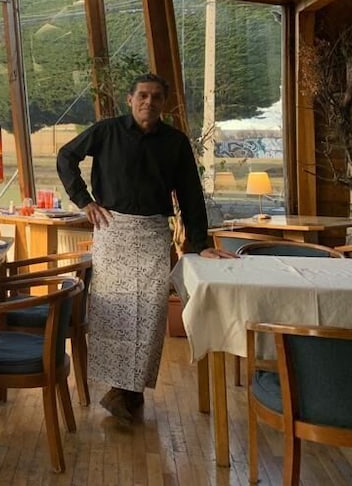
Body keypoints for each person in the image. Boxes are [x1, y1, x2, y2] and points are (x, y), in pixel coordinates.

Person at [56, 73, 234, 423]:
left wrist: (200, 244)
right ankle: (123, 391)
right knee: (113, 312)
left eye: (156, 96)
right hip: (112, 232)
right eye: (142, 95)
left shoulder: (176, 142)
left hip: (153, 233)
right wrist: (84, 201)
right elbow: (65, 157)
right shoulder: (106, 131)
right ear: (130, 99)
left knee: (150, 314)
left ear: (163, 102)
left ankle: (129, 391)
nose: (148, 102)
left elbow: (190, 194)